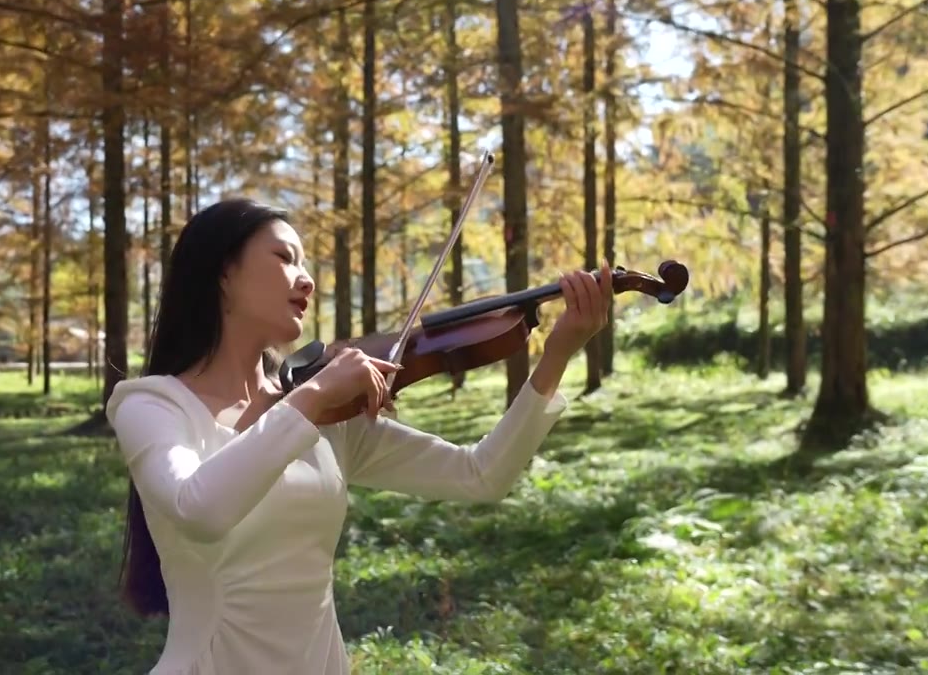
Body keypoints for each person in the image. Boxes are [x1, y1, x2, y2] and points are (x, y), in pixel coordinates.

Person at [105, 197, 612, 675]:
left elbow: (480, 475)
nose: (305, 279)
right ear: (222, 272)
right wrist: (316, 394)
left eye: (305, 264)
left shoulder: (324, 413)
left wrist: (556, 357)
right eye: (284, 257)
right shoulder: (151, 404)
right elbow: (201, 509)